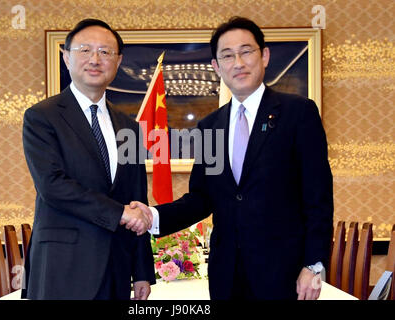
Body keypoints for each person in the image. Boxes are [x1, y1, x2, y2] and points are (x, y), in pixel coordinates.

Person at [129, 16, 333, 300]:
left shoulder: (298, 113)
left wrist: (314, 264)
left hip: (284, 274)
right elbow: (201, 199)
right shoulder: (210, 126)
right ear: (216, 66)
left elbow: (318, 196)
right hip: (227, 276)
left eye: (246, 51)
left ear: (264, 56)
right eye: (227, 55)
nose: (238, 62)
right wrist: (154, 216)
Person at [22, 18, 155, 300]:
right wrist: (119, 213)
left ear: (118, 62)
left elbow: (136, 198)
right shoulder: (42, 117)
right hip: (62, 268)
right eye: (85, 50)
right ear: (67, 57)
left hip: (116, 268)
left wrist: (142, 270)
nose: (95, 59)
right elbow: (52, 185)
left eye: (105, 52)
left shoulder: (129, 127)